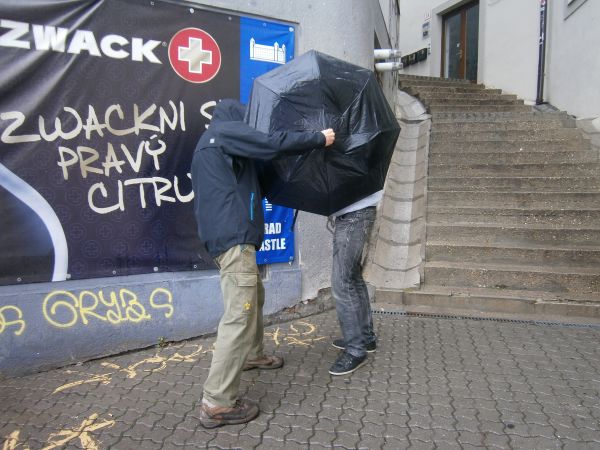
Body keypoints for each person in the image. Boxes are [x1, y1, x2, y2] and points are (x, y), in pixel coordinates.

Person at [191, 99, 335, 428]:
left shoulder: (215, 147)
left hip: (232, 239)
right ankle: (216, 402)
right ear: (236, 119)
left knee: (253, 298)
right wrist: (317, 138)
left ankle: (253, 355)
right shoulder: (224, 133)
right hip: (233, 240)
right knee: (239, 315)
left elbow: (259, 171)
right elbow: (270, 144)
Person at [328, 190, 381, 376]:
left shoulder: (350, 160)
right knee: (353, 277)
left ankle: (355, 350)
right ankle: (365, 339)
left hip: (355, 214)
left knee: (342, 283)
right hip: (355, 213)